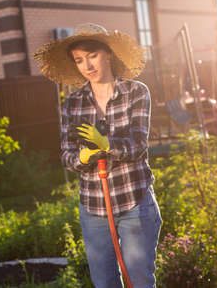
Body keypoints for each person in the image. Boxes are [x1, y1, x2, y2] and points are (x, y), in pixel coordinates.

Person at [34, 23, 161, 288]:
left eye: (92, 56)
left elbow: (138, 144)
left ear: (109, 54)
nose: (87, 65)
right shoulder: (73, 103)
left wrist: (107, 144)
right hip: (93, 207)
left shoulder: (136, 92)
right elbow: (67, 155)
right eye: (79, 60)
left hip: (133, 202)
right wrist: (83, 156)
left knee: (139, 280)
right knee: (104, 283)